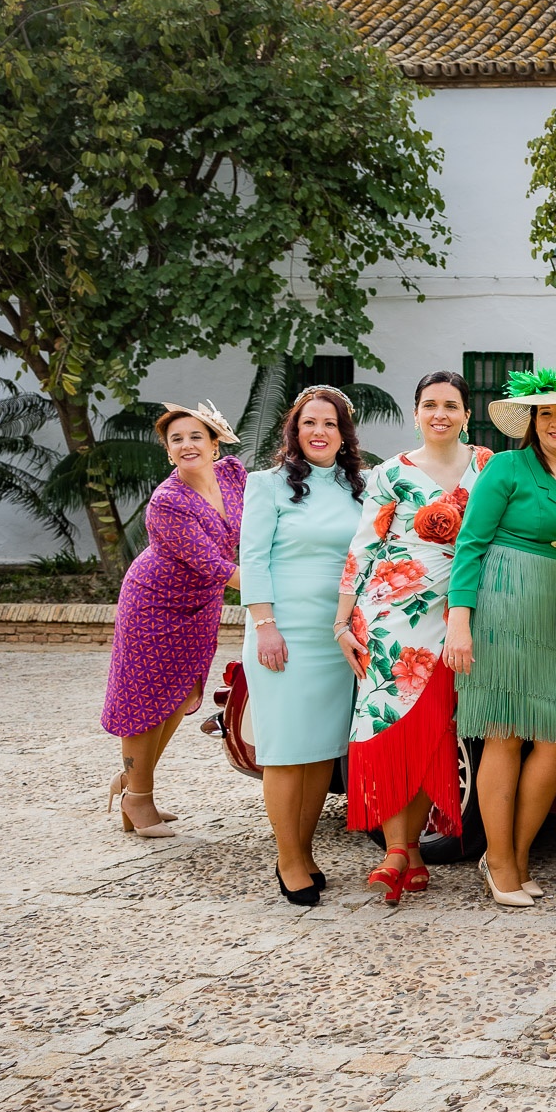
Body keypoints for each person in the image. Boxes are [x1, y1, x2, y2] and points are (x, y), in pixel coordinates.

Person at [447, 371, 556, 908]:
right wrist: (459, 620)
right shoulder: (506, 467)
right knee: (504, 733)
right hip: (502, 599)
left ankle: (515, 855)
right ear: (533, 421)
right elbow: (470, 544)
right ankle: (501, 862)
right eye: (545, 413)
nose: (555, 422)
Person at [337, 372, 492, 905]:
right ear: (417, 411)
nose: (440, 414)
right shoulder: (388, 473)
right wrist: (342, 622)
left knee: (433, 732)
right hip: (390, 615)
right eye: (430, 404)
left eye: (450, 405)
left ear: (466, 414)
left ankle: (410, 852)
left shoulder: (487, 466)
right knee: (390, 727)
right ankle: (399, 851)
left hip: (458, 614)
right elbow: (363, 548)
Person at [239, 387, 365, 904]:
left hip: (335, 634)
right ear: (294, 430)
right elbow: (253, 558)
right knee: (287, 751)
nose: (319, 431)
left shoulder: (359, 487)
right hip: (283, 632)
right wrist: (265, 624)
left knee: (320, 753)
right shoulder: (266, 485)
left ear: (343, 434)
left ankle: (306, 850)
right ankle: (287, 857)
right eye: (309, 422)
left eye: (329, 424)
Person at [102, 400, 246, 839]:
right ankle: (138, 798)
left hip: (200, 606)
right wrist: (278, 590)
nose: (187, 445)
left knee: (179, 697)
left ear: (215, 443)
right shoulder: (167, 501)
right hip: (154, 604)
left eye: (196, 436)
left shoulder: (233, 475)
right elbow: (213, 565)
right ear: (168, 451)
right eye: (176, 439)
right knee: (144, 701)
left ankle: (132, 783)